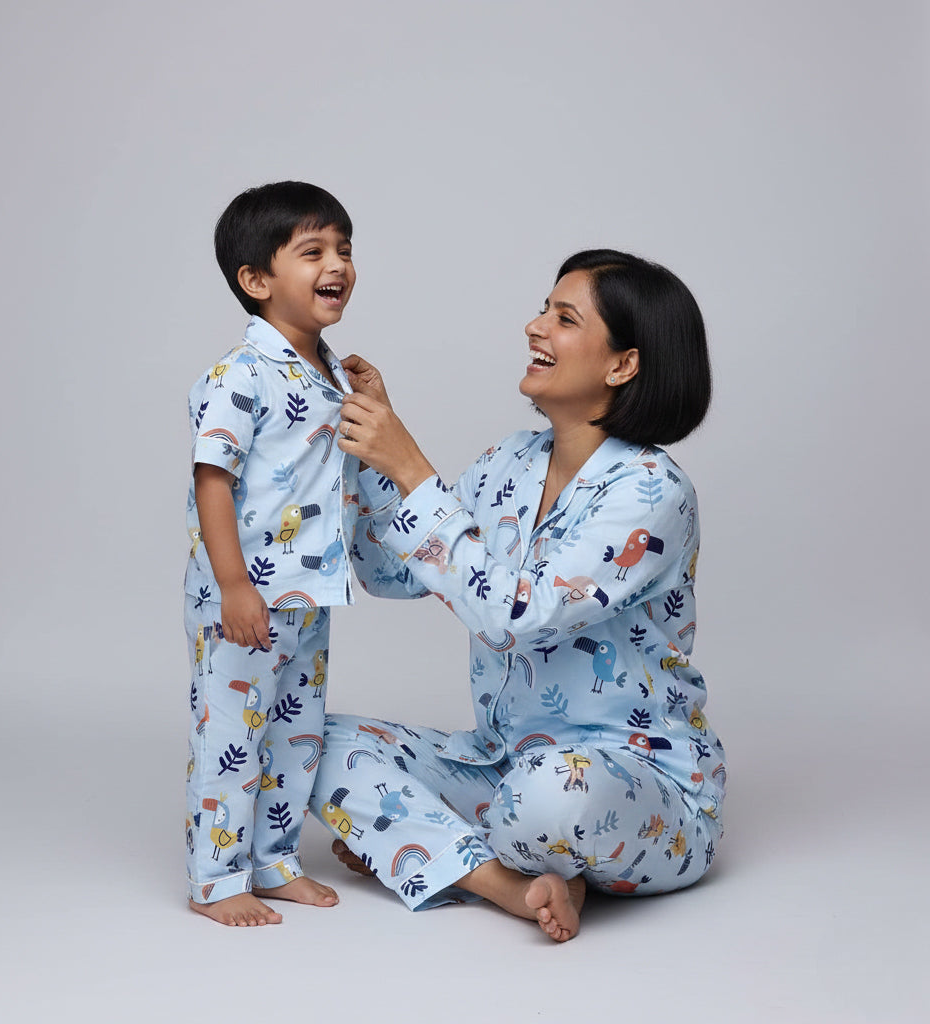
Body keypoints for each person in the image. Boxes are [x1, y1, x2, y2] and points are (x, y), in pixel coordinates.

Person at [315, 249, 726, 942]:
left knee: (545, 800)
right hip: (501, 761)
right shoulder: (512, 460)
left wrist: (410, 465)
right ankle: (506, 883)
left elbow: (514, 617)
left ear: (622, 364)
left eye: (563, 318)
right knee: (294, 737)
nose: (534, 326)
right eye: (544, 308)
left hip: (634, 784)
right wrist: (371, 455)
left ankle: (436, 848)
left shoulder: (653, 492)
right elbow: (391, 572)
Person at [184, 181, 360, 926]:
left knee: (297, 731)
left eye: (345, 249)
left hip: (311, 591)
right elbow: (212, 479)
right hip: (244, 593)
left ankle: (273, 859)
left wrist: (366, 395)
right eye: (314, 251)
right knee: (232, 733)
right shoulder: (239, 374)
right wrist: (232, 584)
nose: (339, 265)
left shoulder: (333, 369)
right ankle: (217, 880)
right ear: (256, 281)